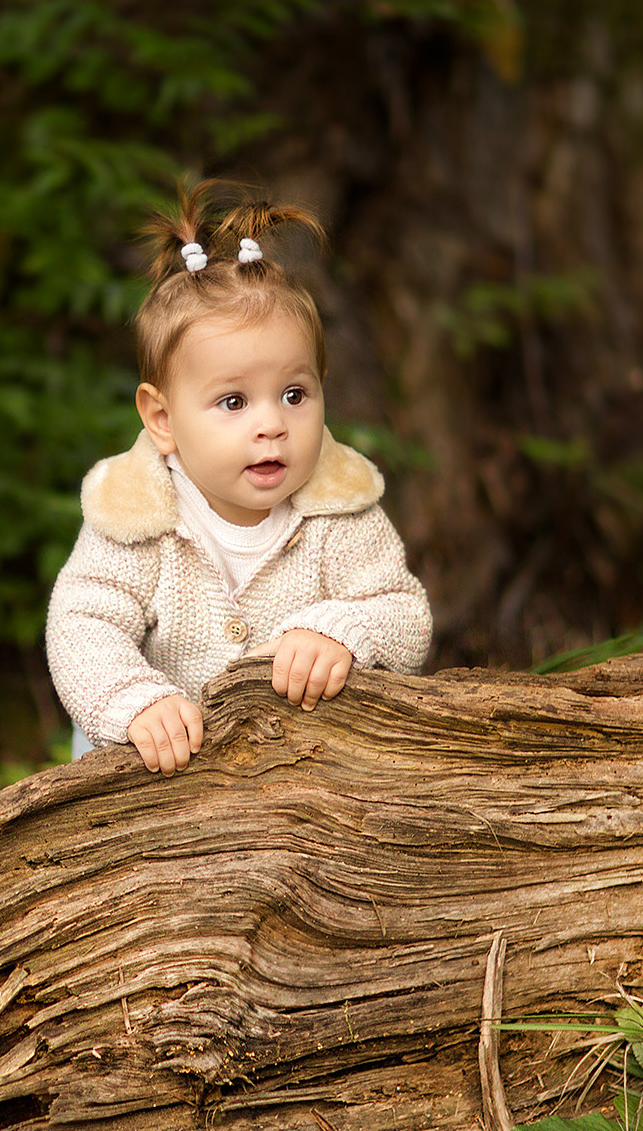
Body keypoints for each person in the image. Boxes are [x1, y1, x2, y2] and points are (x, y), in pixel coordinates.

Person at [46, 183, 433, 772]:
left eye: (295, 394)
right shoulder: (138, 517)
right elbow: (81, 624)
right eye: (233, 402)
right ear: (162, 418)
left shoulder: (339, 510)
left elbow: (404, 613)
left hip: (297, 771)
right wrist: (134, 700)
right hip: (153, 765)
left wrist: (341, 630)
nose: (272, 425)